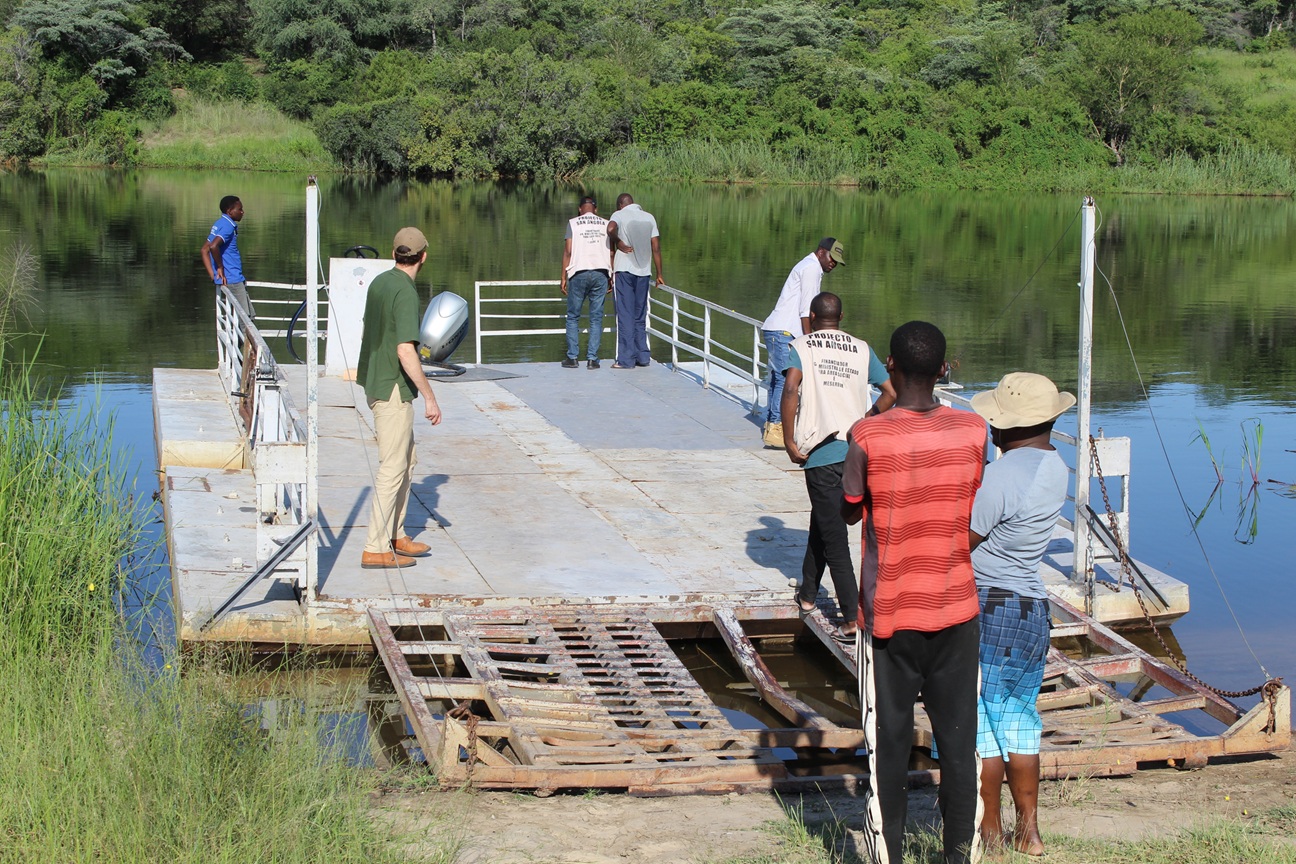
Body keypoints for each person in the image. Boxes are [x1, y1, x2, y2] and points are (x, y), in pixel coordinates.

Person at [841, 320, 986, 864]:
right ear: (944, 370)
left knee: (888, 751)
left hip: (888, 620)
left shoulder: (867, 435)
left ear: (893, 370)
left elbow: (850, 508)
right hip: (957, 610)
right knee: (958, 745)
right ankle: (957, 857)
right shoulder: (974, 431)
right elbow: (971, 499)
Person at [968, 372, 1074, 857]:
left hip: (992, 605)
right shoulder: (1055, 464)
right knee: (1019, 719)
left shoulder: (1005, 473)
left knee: (983, 724)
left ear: (1009, 426)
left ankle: (989, 831)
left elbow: (964, 539)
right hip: (1033, 608)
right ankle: (1029, 832)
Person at [781, 292, 895, 642]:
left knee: (836, 539)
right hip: (857, 450)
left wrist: (788, 440)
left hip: (821, 451)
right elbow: (889, 392)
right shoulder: (862, 348)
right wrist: (865, 421)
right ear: (841, 316)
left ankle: (850, 618)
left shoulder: (802, 345)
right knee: (825, 519)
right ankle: (808, 594)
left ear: (813, 316)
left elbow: (790, 387)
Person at [356, 227, 444, 570]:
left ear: (394, 254)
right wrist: (430, 397)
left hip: (377, 381)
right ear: (423, 256)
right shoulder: (406, 293)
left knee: (407, 462)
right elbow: (405, 350)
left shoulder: (380, 282)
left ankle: (395, 534)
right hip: (392, 386)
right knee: (392, 468)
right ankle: (374, 547)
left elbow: (373, 330)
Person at [760, 238, 845, 449]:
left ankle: (773, 427)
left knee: (778, 379)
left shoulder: (808, 265)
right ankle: (777, 428)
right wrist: (810, 342)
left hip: (777, 329)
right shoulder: (811, 268)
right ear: (821, 252)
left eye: (836, 261)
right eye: (831, 258)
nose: (833, 264)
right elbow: (806, 310)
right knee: (785, 380)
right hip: (784, 331)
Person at [606, 193, 662, 369]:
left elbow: (609, 229)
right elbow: (656, 247)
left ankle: (626, 359)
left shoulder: (619, 215)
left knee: (625, 314)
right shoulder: (649, 217)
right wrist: (659, 273)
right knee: (639, 315)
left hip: (624, 271)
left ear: (620, 205)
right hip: (644, 271)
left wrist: (618, 242)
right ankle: (643, 357)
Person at [560, 196, 613, 369]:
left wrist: (563, 277)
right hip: (601, 273)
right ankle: (592, 359)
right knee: (596, 318)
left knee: (573, 316)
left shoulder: (573, 223)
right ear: (595, 209)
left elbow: (568, 251)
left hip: (578, 272)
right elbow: (611, 252)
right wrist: (611, 275)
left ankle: (573, 358)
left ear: (579, 209)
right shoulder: (606, 223)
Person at [200, 195, 253, 319]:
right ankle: (244, 339)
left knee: (248, 316)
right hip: (233, 279)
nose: (242, 212)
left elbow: (204, 250)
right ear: (229, 211)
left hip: (229, 279)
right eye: (239, 209)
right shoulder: (228, 227)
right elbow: (213, 247)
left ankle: (243, 338)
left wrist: (213, 276)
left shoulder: (220, 223)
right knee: (245, 320)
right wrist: (220, 268)